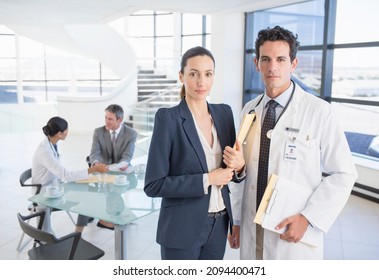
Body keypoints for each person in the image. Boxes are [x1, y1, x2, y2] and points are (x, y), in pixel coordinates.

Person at [228, 26, 358, 259]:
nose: (272, 67)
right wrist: (237, 219)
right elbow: (243, 171)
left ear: (293, 64)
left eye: (280, 59)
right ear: (256, 63)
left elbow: (343, 173)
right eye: (265, 59)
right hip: (252, 225)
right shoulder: (249, 110)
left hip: (291, 229)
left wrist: (309, 218)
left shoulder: (319, 112)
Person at [144, 46, 245, 260]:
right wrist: (207, 179)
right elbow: (153, 185)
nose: (202, 82)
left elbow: (232, 172)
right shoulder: (168, 119)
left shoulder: (224, 113)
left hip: (219, 225)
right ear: (182, 76)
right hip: (181, 227)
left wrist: (240, 166)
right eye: (193, 74)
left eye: (208, 74)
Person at [31, 117, 108, 229]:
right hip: (44, 193)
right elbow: (66, 175)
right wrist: (93, 169)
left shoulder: (52, 143)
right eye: (66, 130)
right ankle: (76, 235)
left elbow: (60, 173)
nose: (68, 132)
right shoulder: (45, 151)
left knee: (87, 194)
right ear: (59, 134)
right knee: (85, 197)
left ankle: (78, 233)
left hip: (55, 186)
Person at [79, 104, 137, 231]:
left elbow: (127, 157)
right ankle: (104, 217)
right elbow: (94, 153)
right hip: (102, 171)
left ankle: (115, 215)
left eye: (110, 119)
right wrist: (95, 163)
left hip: (121, 170)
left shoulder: (131, 133)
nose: (106, 121)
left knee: (125, 187)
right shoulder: (98, 132)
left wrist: (118, 166)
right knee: (97, 191)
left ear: (119, 120)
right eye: (105, 117)